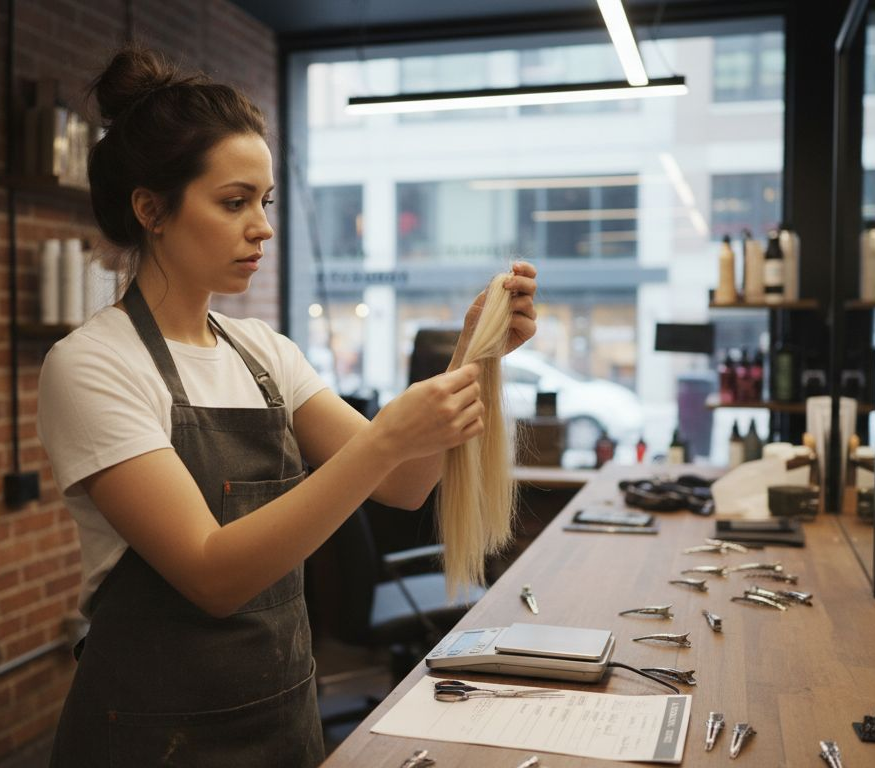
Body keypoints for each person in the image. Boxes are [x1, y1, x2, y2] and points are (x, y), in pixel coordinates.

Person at [37, 47, 538, 767]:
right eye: (234, 201)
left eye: (265, 202)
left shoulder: (263, 354)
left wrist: (473, 350)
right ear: (151, 209)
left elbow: (404, 483)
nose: (262, 228)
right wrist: (384, 439)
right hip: (151, 737)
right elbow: (213, 576)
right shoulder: (93, 366)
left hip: (282, 722)